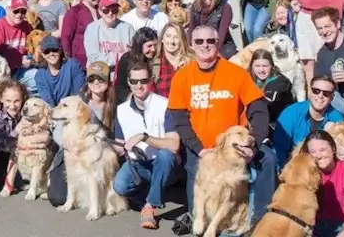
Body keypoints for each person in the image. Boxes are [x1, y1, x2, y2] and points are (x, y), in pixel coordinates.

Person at [168, 24, 276, 229]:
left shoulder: (236, 73)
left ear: (218, 43)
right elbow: (179, 119)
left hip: (234, 147)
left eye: (210, 41)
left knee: (269, 159)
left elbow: (258, 108)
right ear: (191, 44)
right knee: (198, 220)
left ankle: (261, 220)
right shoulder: (182, 76)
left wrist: (254, 143)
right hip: (200, 149)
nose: (205, 45)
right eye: (199, 41)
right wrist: (199, 150)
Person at [112, 61, 180, 230]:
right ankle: (153, 195)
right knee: (119, 186)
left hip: (163, 164)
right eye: (134, 81)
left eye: (143, 80)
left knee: (165, 155)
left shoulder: (164, 104)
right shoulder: (121, 110)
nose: (139, 85)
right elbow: (120, 146)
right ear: (128, 82)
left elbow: (174, 145)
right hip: (138, 164)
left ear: (151, 80)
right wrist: (105, 145)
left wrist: (144, 137)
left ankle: (149, 206)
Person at [272, 74, 344, 162]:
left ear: (332, 97)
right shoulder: (291, 113)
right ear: (309, 92)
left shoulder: (337, 120)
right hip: (295, 163)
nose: (320, 96)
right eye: (316, 91)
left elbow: (340, 154)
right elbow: (280, 150)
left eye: (326, 93)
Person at [312, 7, 344, 117]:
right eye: (319, 28)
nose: (324, 32)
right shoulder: (321, 54)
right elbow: (318, 86)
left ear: (338, 24)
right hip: (336, 110)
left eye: (327, 26)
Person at [83, 0, 135, 68]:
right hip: (99, 72)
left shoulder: (128, 28)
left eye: (114, 10)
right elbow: (94, 58)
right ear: (100, 12)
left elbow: (133, 54)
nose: (110, 13)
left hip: (122, 70)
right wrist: (119, 56)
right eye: (106, 10)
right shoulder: (92, 29)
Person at [34, 35, 85, 106]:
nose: (51, 54)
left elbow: (79, 93)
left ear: (60, 50)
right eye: (47, 51)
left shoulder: (73, 66)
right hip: (54, 111)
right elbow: (48, 102)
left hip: (73, 107)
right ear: (42, 54)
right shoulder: (39, 76)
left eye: (54, 50)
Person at [248, 49, 295, 123]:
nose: (261, 70)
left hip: (281, 122)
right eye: (257, 66)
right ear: (251, 66)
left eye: (265, 66)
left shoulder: (279, 82)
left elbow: (265, 104)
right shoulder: (249, 77)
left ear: (272, 66)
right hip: (263, 117)